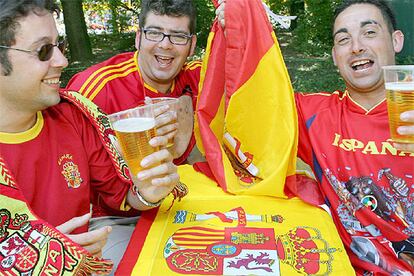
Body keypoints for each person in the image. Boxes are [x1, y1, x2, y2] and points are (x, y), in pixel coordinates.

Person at [0, 0, 179, 273]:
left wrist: (147, 193)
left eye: (60, 46)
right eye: (44, 50)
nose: (62, 61)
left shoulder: (74, 115)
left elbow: (120, 195)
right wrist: (37, 260)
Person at [280, 0, 414, 274]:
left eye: (369, 32)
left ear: (396, 40)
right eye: (344, 39)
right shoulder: (313, 113)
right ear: (334, 55)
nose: (356, 47)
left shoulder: (408, 106)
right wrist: (238, 24)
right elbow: (247, 98)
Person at [66, 0, 200, 165]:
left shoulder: (199, 78)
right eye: (154, 33)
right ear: (138, 38)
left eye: (178, 36)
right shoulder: (95, 89)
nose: (165, 45)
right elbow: (64, 162)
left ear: (192, 45)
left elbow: (236, 72)